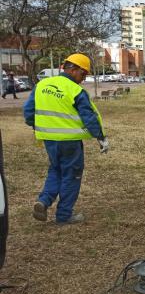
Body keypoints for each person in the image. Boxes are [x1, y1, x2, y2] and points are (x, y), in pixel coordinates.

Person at [23, 53, 109, 225]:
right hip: (70, 142)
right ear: (73, 69)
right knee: (72, 175)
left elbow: (28, 112)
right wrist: (100, 137)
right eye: (83, 74)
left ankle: (44, 201)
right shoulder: (75, 90)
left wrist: (38, 126)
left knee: (56, 170)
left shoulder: (42, 85)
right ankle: (64, 215)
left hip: (49, 140)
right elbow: (88, 116)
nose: (83, 79)